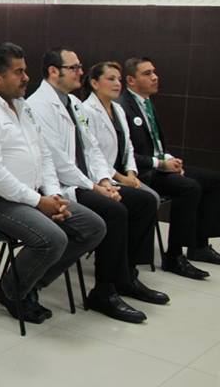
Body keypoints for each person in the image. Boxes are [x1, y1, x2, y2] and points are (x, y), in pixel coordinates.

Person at [0, 43, 106, 325]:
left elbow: (44, 155)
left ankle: (29, 282)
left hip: (29, 196)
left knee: (93, 226)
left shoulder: (22, 106)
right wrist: (39, 202)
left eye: (25, 70)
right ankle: (11, 291)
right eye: (18, 72)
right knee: (53, 238)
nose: (26, 77)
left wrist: (54, 196)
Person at [27, 48, 166, 322]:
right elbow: (58, 160)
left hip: (86, 180)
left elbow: (92, 148)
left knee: (144, 201)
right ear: (54, 71)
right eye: (74, 68)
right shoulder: (38, 105)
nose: (80, 71)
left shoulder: (73, 103)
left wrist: (104, 179)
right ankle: (104, 291)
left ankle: (126, 276)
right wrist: (94, 187)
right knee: (115, 211)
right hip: (60, 184)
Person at [120, 57, 220, 278]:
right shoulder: (122, 106)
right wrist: (160, 164)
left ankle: (198, 245)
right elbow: (126, 154)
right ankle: (174, 256)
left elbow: (154, 145)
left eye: (154, 72)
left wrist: (169, 159)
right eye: (147, 73)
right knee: (189, 187)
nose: (155, 77)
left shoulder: (146, 103)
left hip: (157, 165)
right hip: (140, 172)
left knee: (213, 180)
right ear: (131, 80)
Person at [82, 62, 160, 198]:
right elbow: (93, 152)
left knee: (153, 197)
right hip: (101, 176)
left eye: (119, 79)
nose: (117, 84)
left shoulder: (118, 109)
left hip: (122, 173)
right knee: (148, 199)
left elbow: (128, 146)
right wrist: (121, 178)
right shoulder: (86, 111)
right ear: (94, 83)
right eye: (111, 79)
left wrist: (131, 173)